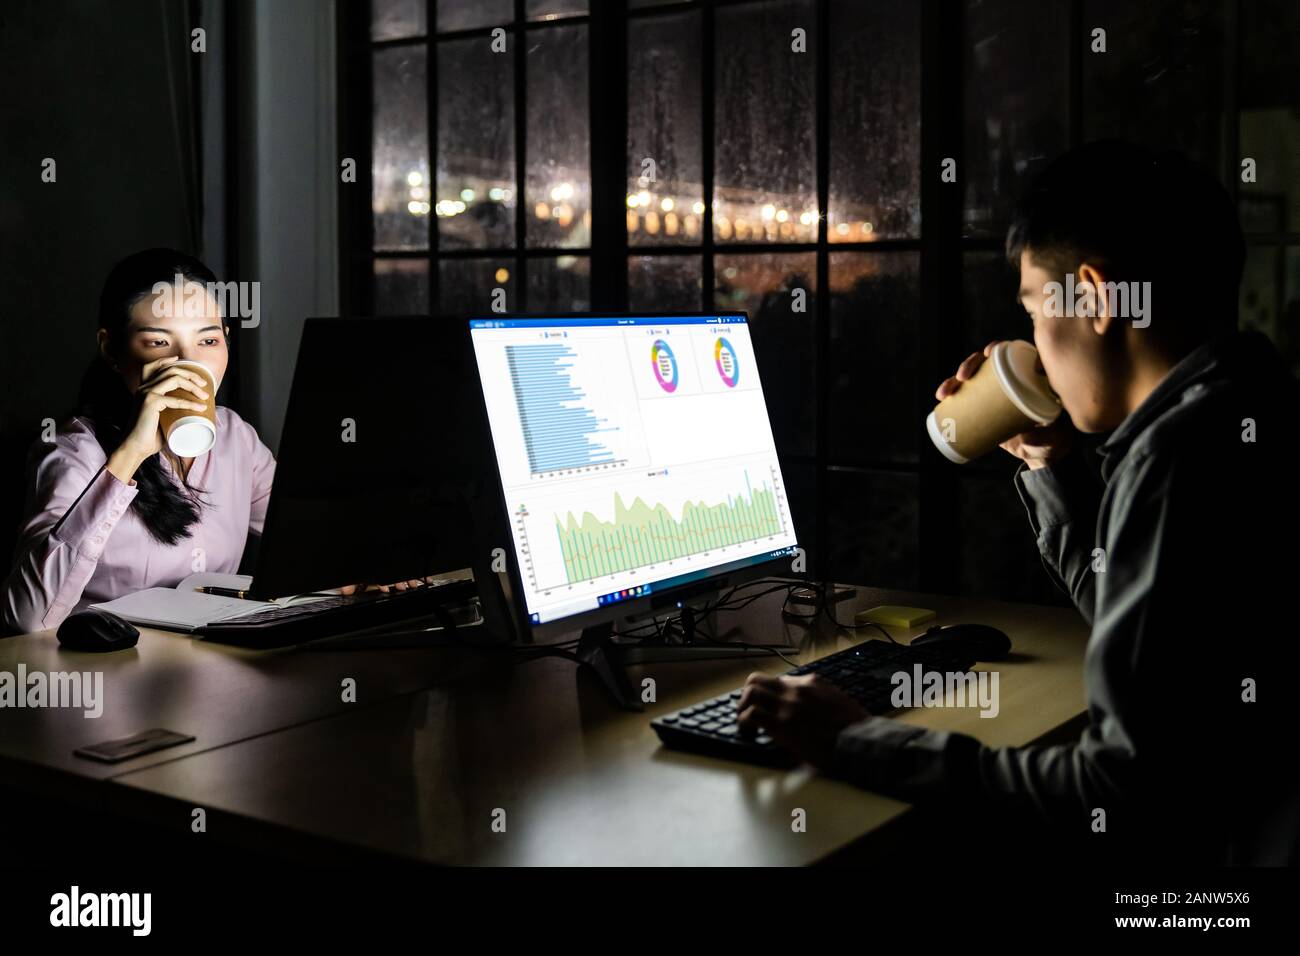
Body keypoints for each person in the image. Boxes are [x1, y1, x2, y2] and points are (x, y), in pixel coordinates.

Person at [737, 141, 1300, 864]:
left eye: (1035, 308)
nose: (1033, 338)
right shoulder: (1251, 401)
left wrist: (855, 741)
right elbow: (1160, 653)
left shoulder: (1180, 455)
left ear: (1094, 300)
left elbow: (1116, 793)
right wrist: (1047, 462)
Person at [2, 249, 422, 635]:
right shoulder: (73, 451)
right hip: (99, 682)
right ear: (112, 350)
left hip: (208, 669)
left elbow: (309, 539)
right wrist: (130, 455)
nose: (190, 363)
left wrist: (365, 564)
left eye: (207, 340)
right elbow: (27, 616)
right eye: (158, 342)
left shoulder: (234, 437)